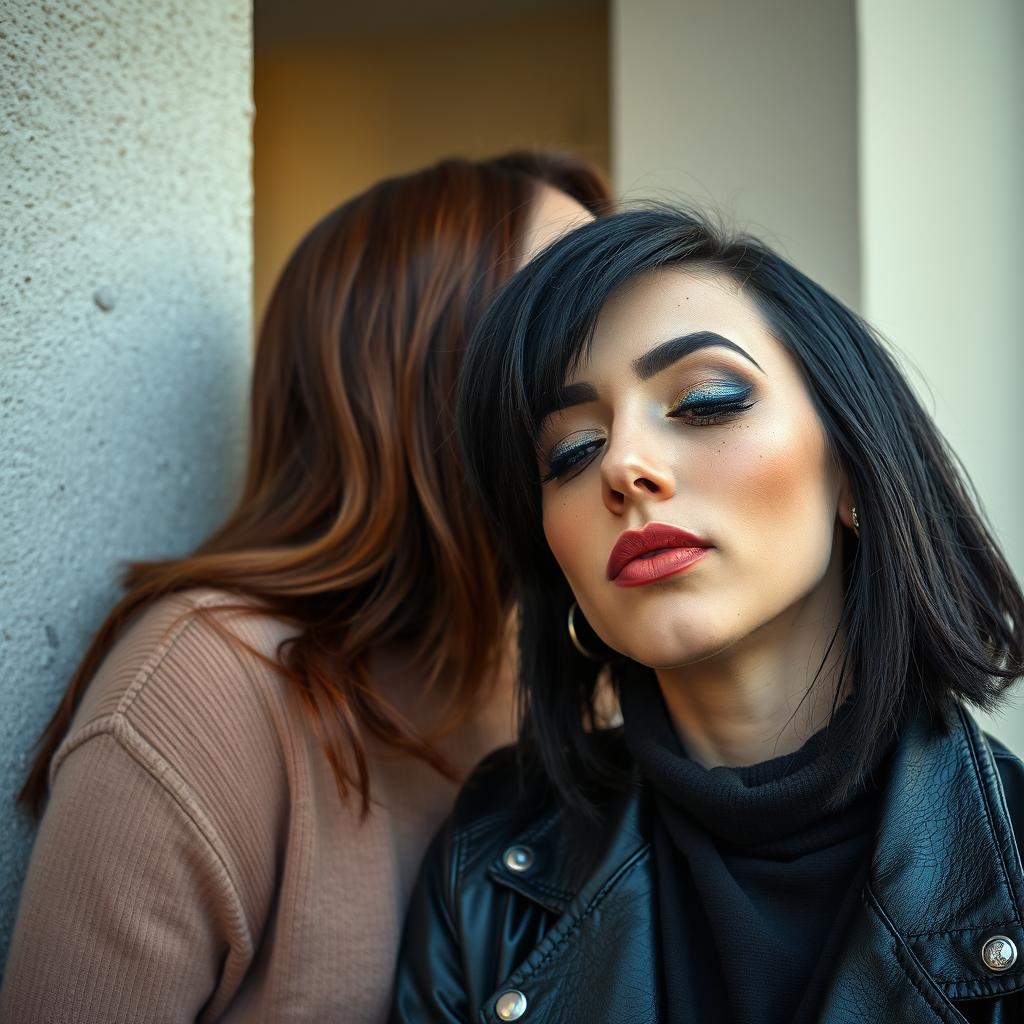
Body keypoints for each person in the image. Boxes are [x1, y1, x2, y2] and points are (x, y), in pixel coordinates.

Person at [0, 152, 610, 1022]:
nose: (621, 361)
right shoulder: (206, 688)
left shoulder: (561, 661)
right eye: (566, 309)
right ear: (414, 377)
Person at [391, 208, 1024, 1024]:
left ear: (857, 474)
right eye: (571, 452)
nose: (623, 465)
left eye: (707, 402)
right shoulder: (486, 865)